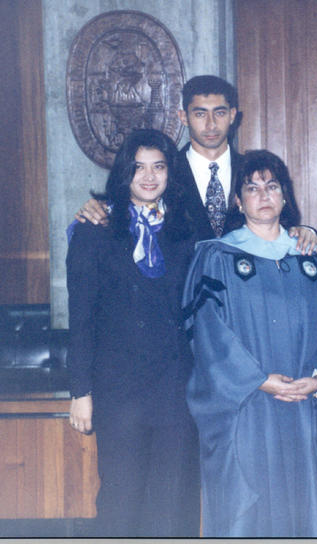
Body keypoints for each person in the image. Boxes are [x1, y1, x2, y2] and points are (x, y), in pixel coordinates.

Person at [182, 149, 317, 537]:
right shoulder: (217, 257)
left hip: (303, 403)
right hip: (245, 404)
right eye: (252, 187)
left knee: (301, 506)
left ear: (284, 196)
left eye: (272, 186)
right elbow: (208, 330)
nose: (263, 195)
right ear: (238, 201)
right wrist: (257, 379)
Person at [66, 129, 200, 537]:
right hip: (118, 390)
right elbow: (81, 315)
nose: (148, 176)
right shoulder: (95, 228)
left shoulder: (187, 232)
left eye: (158, 166)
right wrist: (80, 392)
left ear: (169, 174)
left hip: (175, 390)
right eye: (138, 166)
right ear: (124, 172)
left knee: (173, 501)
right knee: (121, 501)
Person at [76, 75, 317, 252]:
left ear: (233, 115)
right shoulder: (163, 172)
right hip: (182, 306)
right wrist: (97, 207)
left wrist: (306, 232)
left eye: (220, 112)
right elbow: (125, 208)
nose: (211, 124)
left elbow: (284, 224)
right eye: (200, 113)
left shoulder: (254, 172)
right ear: (183, 117)